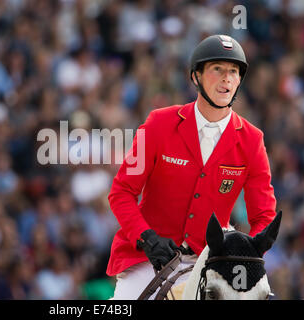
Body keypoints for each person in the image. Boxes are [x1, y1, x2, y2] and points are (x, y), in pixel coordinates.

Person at [107, 35, 277, 299]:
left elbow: (263, 217)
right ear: (196, 76)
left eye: (233, 71)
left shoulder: (252, 140)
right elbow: (121, 193)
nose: (227, 78)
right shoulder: (158, 124)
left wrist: (244, 252)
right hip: (148, 259)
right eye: (217, 69)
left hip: (210, 262)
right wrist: (146, 238)